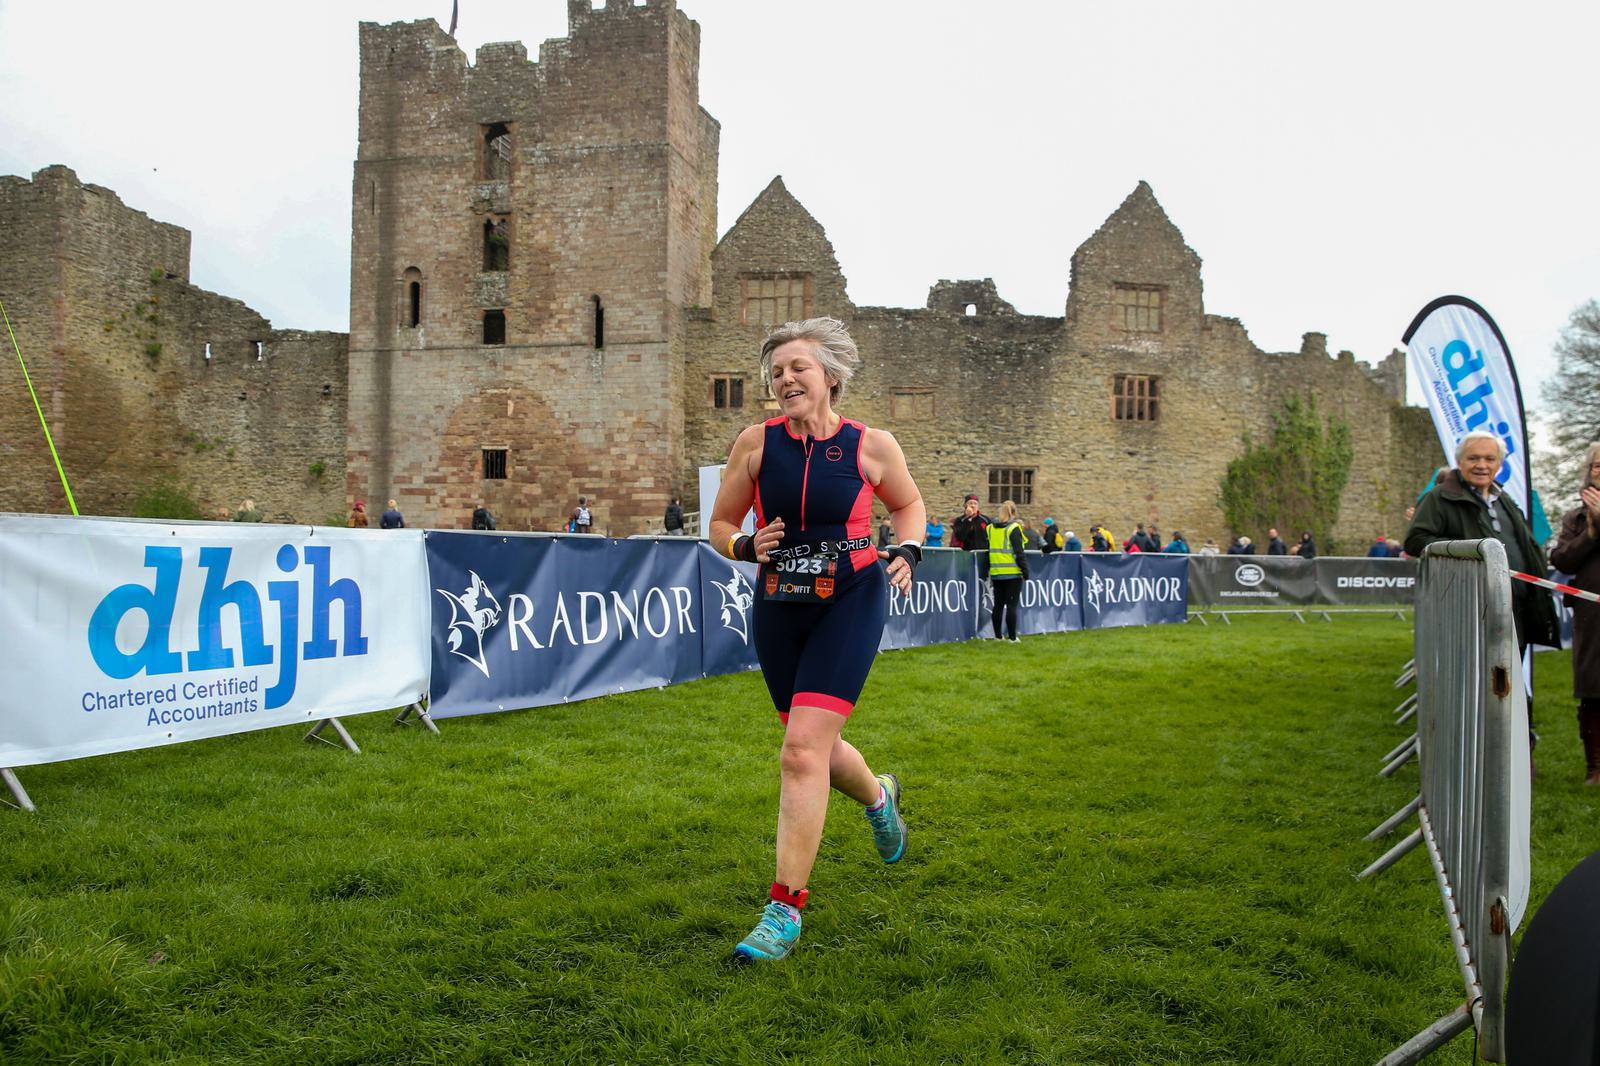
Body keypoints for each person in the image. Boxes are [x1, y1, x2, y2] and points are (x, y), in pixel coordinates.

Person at [708, 317, 924, 964]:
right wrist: (744, 545)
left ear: (830, 376)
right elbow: (718, 523)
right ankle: (880, 798)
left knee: (802, 750)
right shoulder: (755, 443)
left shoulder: (871, 444)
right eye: (775, 373)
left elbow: (909, 507)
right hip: (780, 605)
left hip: (852, 598)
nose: (785, 379)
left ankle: (784, 911)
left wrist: (909, 548)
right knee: (816, 750)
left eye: (798, 367)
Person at [1405, 430, 1561, 759]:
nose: (1481, 465)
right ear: (1460, 462)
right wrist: (1467, 554)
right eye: (1473, 458)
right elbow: (1416, 540)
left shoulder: (1505, 499)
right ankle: (1470, 759)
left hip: (1514, 611)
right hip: (1469, 610)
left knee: (1511, 687)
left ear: (1500, 464)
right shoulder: (1439, 498)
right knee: (1473, 689)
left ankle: (1516, 758)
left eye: (1489, 459)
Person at [1548, 443, 1600, 784]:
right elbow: (1561, 559)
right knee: (1593, 687)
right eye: (1598, 465)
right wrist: (1592, 533)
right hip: (1591, 615)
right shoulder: (1575, 517)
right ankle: (1595, 766)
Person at [981, 499, 1029, 643]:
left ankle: (998, 636)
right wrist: (1025, 571)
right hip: (1012, 572)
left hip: (996, 572)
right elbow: (1019, 552)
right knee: (1012, 606)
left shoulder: (990, 528)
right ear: (1013, 513)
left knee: (998, 605)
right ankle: (1012, 638)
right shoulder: (1013, 528)